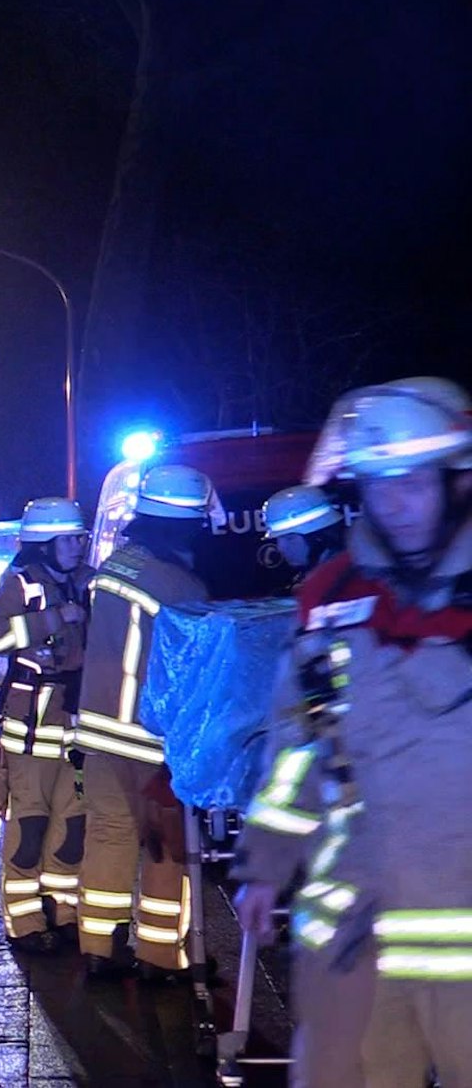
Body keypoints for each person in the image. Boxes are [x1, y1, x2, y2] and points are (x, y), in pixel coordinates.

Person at [233, 377, 472, 1087]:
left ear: (456, 482)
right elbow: (297, 744)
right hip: (353, 931)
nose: (393, 505)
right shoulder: (331, 599)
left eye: (412, 483)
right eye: (376, 485)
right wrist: (265, 863)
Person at [73, 463, 215, 979]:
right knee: (165, 845)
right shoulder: (182, 585)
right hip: (154, 742)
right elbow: (193, 671)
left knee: (109, 835)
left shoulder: (113, 568)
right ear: (188, 524)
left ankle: (97, 949)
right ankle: (158, 956)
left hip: (99, 730)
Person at [0, 497, 94, 953]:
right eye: (67, 538)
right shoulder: (21, 584)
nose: (76, 545)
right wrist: (52, 619)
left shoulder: (89, 583)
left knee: (73, 828)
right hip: (30, 729)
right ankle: (24, 922)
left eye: (78, 537)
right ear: (43, 544)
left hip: (78, 727)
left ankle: (62, 911)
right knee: (29, 827)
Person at [262, 483, 348, 590]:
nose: (280, 548)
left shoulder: (350, 583)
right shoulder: (315, 580)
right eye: (277, 539)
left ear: (319, 538)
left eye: (290, 538)